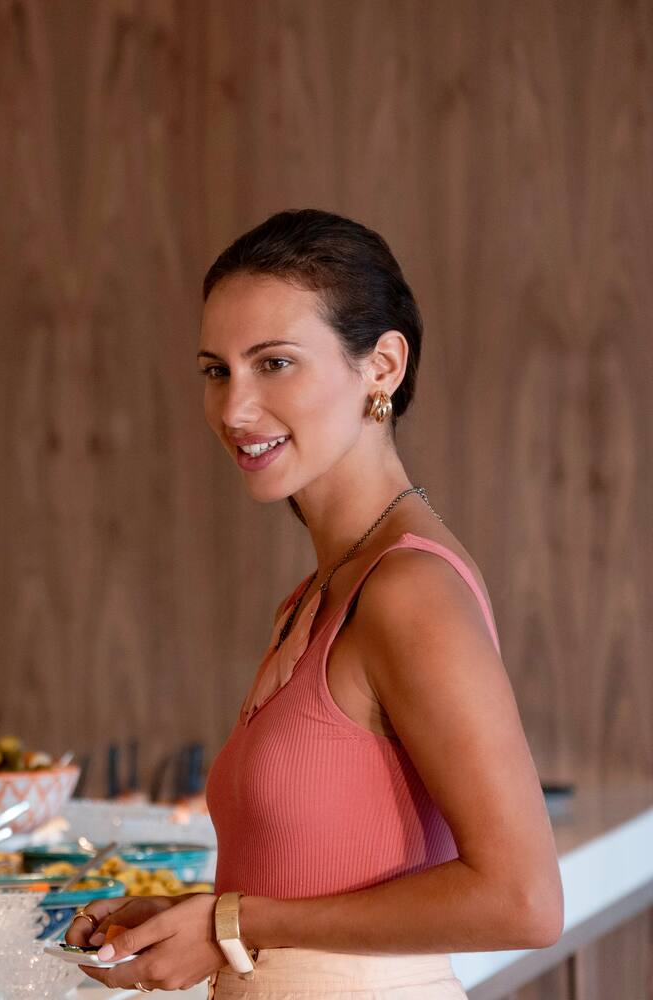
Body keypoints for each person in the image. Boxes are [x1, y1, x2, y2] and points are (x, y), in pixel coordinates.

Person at [68, 210, 561, 996]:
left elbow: (524, 901)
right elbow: (311, 877)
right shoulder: (320, 593)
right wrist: (193, 917)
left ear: (383, 367)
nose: (234, 408)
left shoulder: (408, 591)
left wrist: (232, 923)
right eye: (216, 370)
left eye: (275, 363)